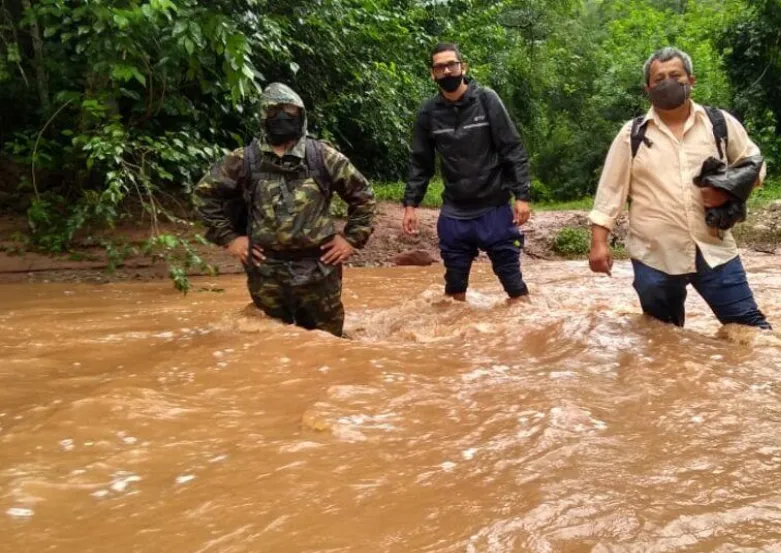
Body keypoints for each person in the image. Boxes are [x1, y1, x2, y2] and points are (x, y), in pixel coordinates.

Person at [587, 48, 771, 329]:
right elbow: (610, 191)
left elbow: (754, 163)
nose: (667, 82)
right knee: (663, 335)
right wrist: (598, 243)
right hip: (654, 255)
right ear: (648, 88)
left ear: (691, 80)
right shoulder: (632, 134)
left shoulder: (718, 123)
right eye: (659, 78)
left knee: (749, 329)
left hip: (714, 247)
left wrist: (727, 189)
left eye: (675, 75)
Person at [193, 83, 376, 337]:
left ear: (300, 115)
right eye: (273, 111)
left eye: (288, 110)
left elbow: (363, 196)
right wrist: (229, 239)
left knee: (329, 345)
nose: (281, 117)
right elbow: (204, 194)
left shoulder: (322, 156)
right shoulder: (245, 159)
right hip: (266, 270)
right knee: (270, 343)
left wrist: (351, 239)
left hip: (319, 269)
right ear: (263, 116)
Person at [401, 42, 532, 304]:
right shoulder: (429, 112)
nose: (447, 71)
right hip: (455, 212)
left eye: (452, 64)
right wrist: (411, 204)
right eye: (440, 67)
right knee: (453, 293)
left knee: (514, 286)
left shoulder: (486, 100)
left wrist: (522, 195)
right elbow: (420, 161)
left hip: (494, 206)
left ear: (463, 67)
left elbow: (511, 148)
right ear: (432, 74)